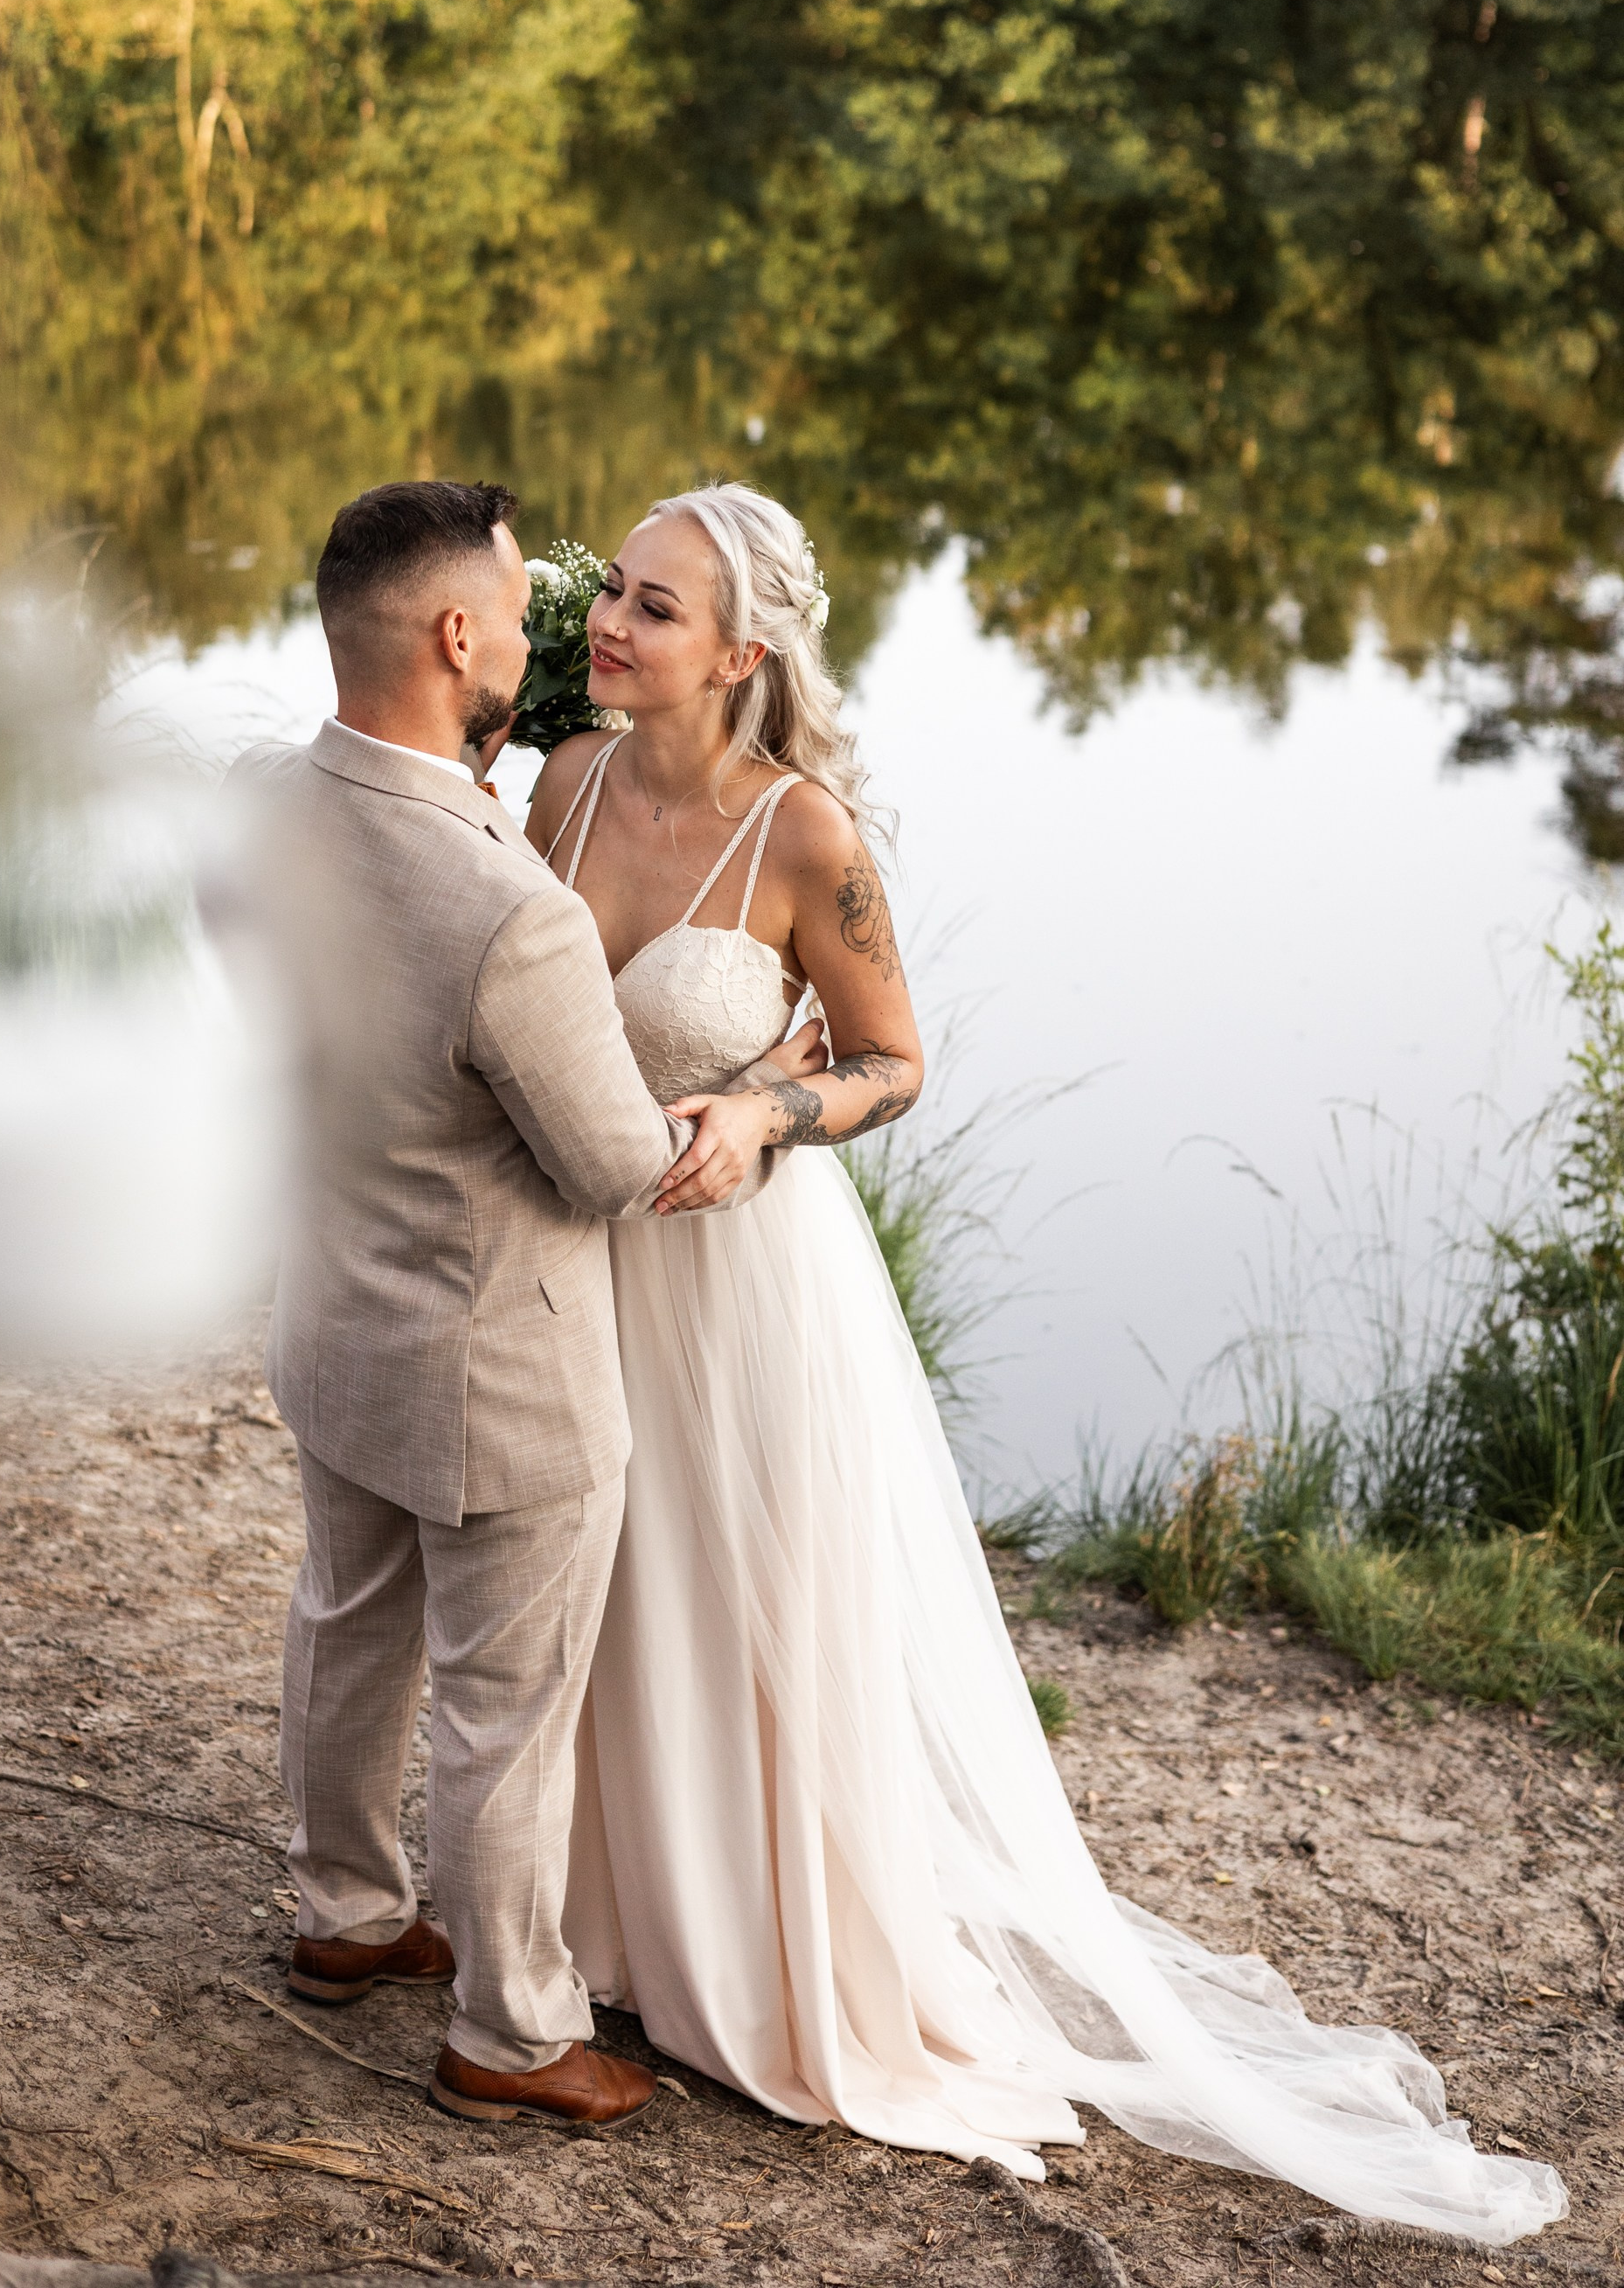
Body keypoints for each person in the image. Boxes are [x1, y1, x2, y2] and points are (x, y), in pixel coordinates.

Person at [524, 479, 1566, 2246]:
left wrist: (766, 1107)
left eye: (651, 608)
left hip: (742, 1280)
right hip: (573, 1260)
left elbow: (894, 1061)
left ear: (744, 652)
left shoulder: (806, 840)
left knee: (746, 1602)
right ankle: (609, 1931)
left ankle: (775, 1969)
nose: (608, 626)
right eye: (611, 593)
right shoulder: (557, 783)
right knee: (598, 1592)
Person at [219, 480, 822, 2138]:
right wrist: (763, 1091)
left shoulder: (256, 813)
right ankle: (510, 2025)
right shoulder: (510, 915)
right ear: (458, 639)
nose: (568, 635)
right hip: (502, 1369)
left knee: (348, 1624)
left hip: (333, 1320)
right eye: (531, 609)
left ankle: (344, 1919)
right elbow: (620, 1165)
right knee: (503, 1704)